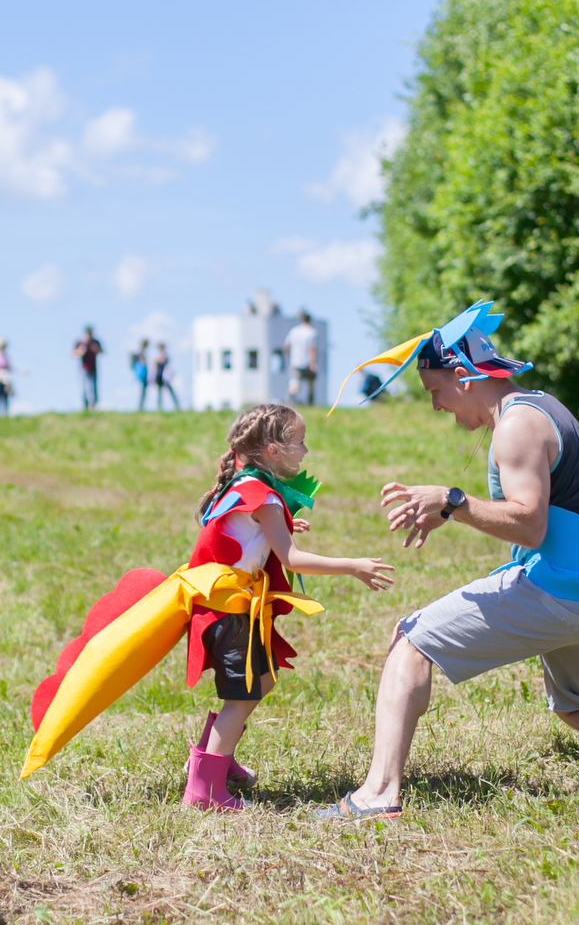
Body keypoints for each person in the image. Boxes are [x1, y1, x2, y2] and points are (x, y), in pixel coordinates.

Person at [316, 305, 579, 821]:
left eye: (435, 392)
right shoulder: (538, 406)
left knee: (410, 642)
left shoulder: (516, 427)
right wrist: (449, 513)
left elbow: (530, 525)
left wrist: (453, 500)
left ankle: (379, 793)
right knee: (578, 704)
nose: (436, 407)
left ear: (462, 376)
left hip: (561, 594)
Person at [23, 404, 395, 809]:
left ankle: (215, 755)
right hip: (230, 612)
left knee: (262, 679)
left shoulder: (243, 484)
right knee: (243, 695)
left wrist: (281, 523)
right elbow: (291, 559)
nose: (305, 451)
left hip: (221, 608)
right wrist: (353, 566)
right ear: (272, 450)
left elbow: (242, 529)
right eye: (299, 442)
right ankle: (205, 791)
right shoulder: (263, 494)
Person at [283, 311, 319, 406]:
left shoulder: (294, 331)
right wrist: (313, 364)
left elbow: (286, 346)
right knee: (310, 385)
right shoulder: (311, 332)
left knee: (294, 385)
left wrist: (290, 357)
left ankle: (289, 403)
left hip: (295, 362)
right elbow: (312, 349)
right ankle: (309, 404)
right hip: (307, 363)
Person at [73, 326, 104, 411]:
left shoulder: (95, 342)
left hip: (93, 368)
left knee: (93, 388)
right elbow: (73, 353)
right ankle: (85, 406)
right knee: (83, 388)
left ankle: (93, 406)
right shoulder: (80, 342)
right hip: (83, 368)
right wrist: (81, 351)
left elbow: (102, 352)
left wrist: (96, 349)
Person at [152, 341, 181, 411]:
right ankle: (159, 407)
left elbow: (169, 366)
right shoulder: (157, 356)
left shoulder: (166, 356)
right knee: (159, 393)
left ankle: (176, 406)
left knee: (171, 391)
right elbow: (154, 367)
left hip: (166, 377)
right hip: (159, 377)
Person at [130, 338, 151, 411]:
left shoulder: (141, 352)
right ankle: (140, 407)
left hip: (143, 374)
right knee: (142, 391)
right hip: (142, 374)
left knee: (143, 391)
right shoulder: (141, 352)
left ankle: (141, 406)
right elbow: (143, 362)